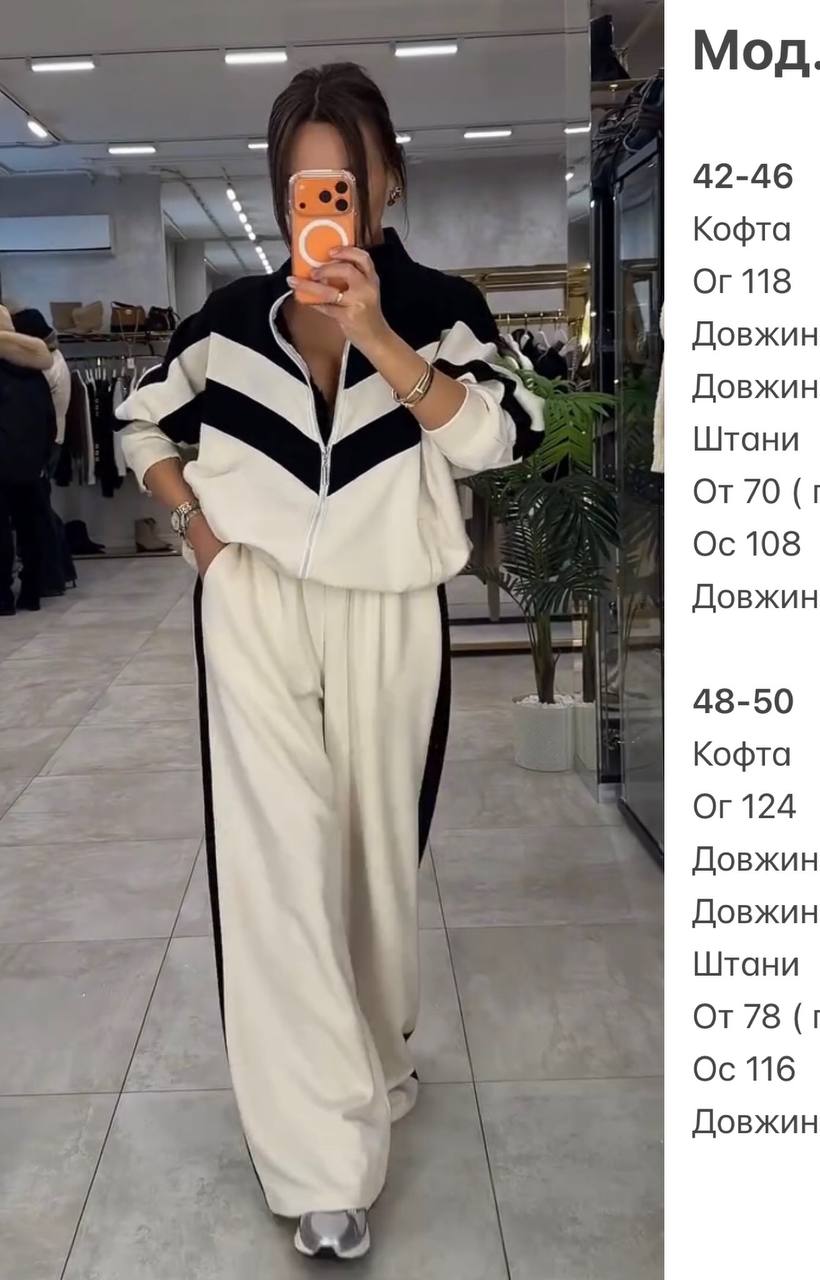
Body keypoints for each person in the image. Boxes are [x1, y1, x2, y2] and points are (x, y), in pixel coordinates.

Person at [114, 62, 543, 1261]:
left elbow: (500, 438)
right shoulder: (226, 320)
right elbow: (139, 419)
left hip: (390, 605)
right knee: (276, 868)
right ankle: (320, 1163)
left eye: (343, 181)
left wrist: (381, 340)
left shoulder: (442, 309)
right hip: (253, 601)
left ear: (385, 178)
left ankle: (374, 1055)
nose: (325, 205)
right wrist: (197, 532)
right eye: (304, 183)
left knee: (370, 857)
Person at [9, 308, 74, 596]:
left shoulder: (41, 367)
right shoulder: (51, 360)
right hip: (45, 442)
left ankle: (52, 575)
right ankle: (55, 574)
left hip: (40, 444)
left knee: (39, 513)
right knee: (41, 512)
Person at [0, 305, 57, 614]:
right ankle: (31, 592)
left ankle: (2, 597)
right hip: (30, 465)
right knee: (31, 530)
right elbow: (49, 420)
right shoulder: (35, 374)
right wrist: (42, 458)